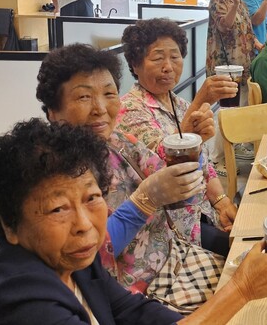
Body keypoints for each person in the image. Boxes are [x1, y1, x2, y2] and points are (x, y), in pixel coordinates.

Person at [0, 119, 267, 324]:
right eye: (57, 209)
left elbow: (133, 311)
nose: (85, 225)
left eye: (92, 198)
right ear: (10, 225)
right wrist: (242, 288)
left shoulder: (77, 264)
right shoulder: (26, 301)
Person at [36, 43, 204, 293]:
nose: (100, 109)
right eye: (84, 97)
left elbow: (181, 196)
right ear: (53, 111)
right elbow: (85, 258)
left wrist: (194, 149)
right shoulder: (51, 172)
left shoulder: (120, 142)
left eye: (109, 94)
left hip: (176, 263)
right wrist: (144, 201)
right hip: (131, 294)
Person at [117, 18, 238, 256]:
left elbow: (204, 163)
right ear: (135, 64)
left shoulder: (179, 104)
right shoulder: (128, 109)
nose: (168, 67)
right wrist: (201, 100)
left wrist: (221, 201)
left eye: (175, 56)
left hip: (201, 212)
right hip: (166, 226)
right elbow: (160, 165)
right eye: (157, 58)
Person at [206, 0, 256, 101]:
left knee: (243, 102)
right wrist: (234, 5)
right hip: (224, 64)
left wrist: (260, 45)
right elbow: (225, 25)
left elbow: (246, 31)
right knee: (227, 103)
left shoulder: (242, 3)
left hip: (243, 63)